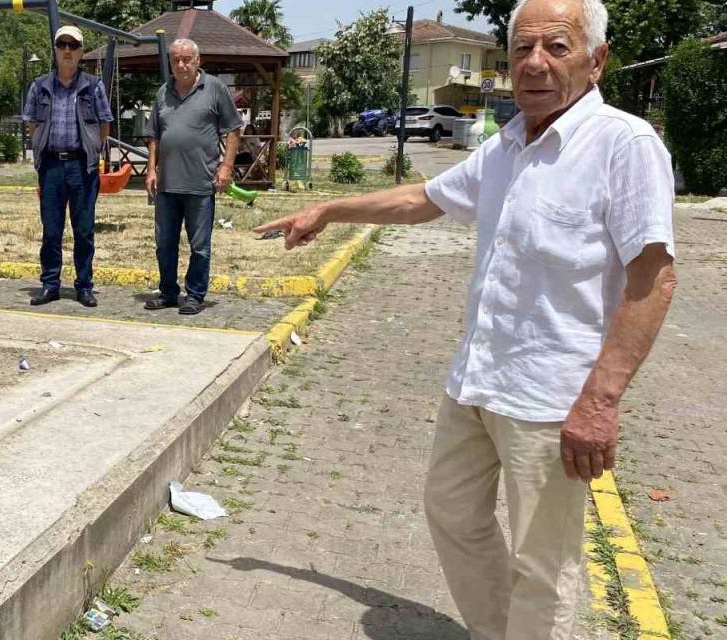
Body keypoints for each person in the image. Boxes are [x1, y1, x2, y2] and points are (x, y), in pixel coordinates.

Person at [253, 1, 677, 637]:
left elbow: (655, 277)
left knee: (545, 564)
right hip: (478, 378)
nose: (533, 63)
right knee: (451, 512)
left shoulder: (624, 144)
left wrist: (602, 398)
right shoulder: (507, 146)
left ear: (596, 61)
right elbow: (424, 199)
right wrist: (331, 210)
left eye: (556, 48)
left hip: (552, 400)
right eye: (522, 50)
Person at [144, 38, 243, 316]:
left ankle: (195, 295)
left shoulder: (214, 88)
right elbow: (154, 136)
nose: (181, 64)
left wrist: (226, 167)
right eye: (176, 59)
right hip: (167, 185)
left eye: (187, 58)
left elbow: (234, 130)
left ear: (198, 61)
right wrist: (151, 169)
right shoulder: (163, 93)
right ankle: (168, 292)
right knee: (164, 243)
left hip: (200, 183)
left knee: (199, 245)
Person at [22, 25, 113, 307]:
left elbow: (104, 124)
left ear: (81, 51)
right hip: (51, 166)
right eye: (62, 45)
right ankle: (50, 284)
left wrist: (91, 150)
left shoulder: (93, 85)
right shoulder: (40, 86)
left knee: (83, 230)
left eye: (73, 46)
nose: (67, 51)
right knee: (51, 230)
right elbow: (32, 123)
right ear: (55, 50)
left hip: (81, 167)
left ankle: (84, 285)